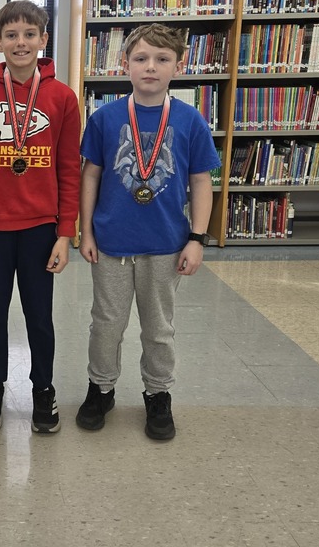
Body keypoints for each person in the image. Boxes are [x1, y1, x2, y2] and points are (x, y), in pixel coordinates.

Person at [77, 23, 220, 440]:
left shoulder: (191, 121)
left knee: (159, 327)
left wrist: (197, 238)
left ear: (179, 65)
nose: (151, 68)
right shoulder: (105, 118)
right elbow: (90, 176)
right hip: (111, 243)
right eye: (141, 59)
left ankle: (158, 394)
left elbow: (201, 182)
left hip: (165, 244)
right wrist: (85, 233)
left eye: (162, 59)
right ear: (125, 65)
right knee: (106, 322)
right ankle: (100, 387)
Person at [0, 0, 81, 433]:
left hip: (41, 229)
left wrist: (66, 233)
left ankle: (43, 388)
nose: (20, 42)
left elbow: (68, 169)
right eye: (11, 35)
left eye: (29, 34)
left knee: (39, 316)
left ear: (43, 41)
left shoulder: (62, 97)